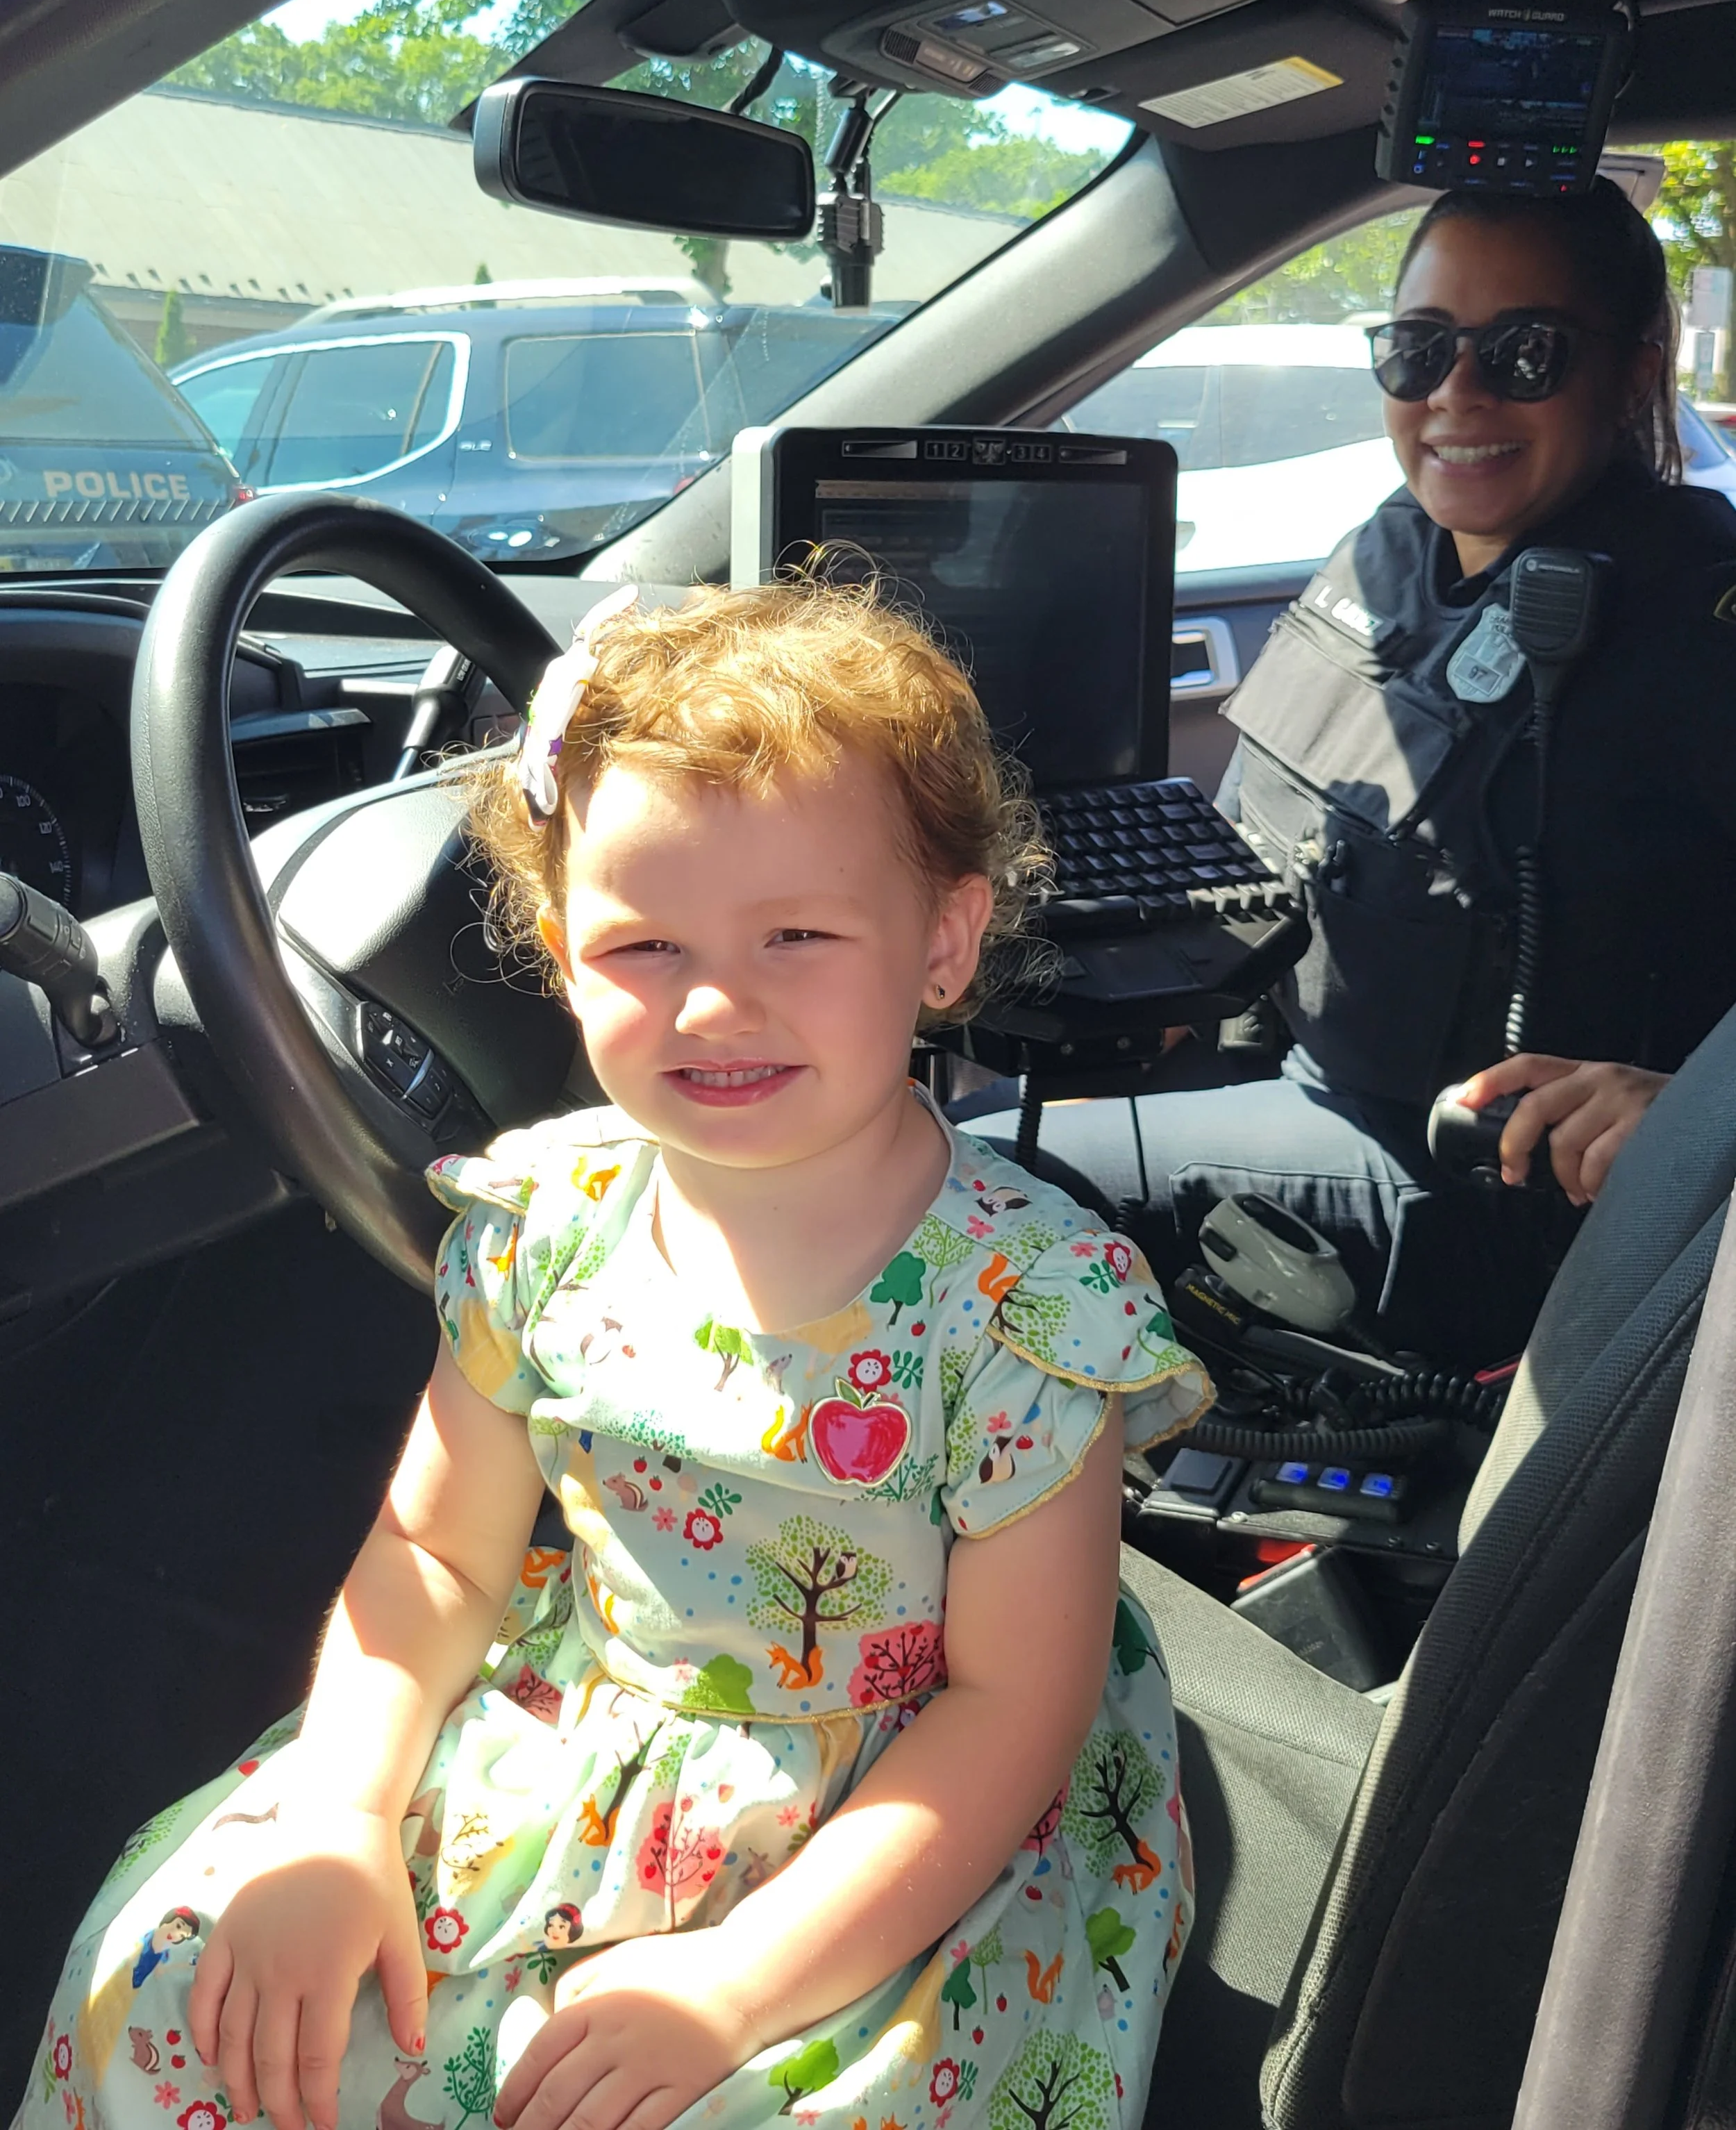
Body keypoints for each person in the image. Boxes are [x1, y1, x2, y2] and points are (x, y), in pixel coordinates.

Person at [20, 583, 1211, 2130]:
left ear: (943, 938)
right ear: (562, 957)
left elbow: (1011, 1712)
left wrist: (734, 1985)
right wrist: (341, 1819)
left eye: (796, 935)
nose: (714, 1001)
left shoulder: (1025, 1307)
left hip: (913, 1814)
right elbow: (436, 1558)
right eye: (644, 944)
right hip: (590, 1724)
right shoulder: (545, 1222)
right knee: (171, 1982)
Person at [965, 176, 1736, 1367]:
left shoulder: (1702, 622)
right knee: (916, 1121)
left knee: (965, 1176)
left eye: (1525, 352)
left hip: (1484, 1185)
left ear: (1636, 372)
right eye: (1419, 348)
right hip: (1287, 1075)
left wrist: (1691, 1110)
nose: (1455, 393)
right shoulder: (1391, 549)